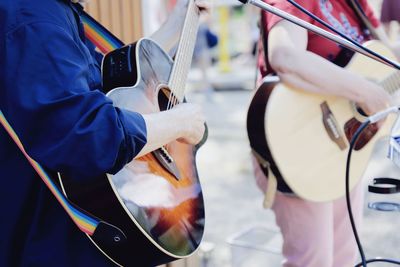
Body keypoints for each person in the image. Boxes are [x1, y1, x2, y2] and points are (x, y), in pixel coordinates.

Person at [0, 0, 208, 266]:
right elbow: (84, 134)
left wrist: (176, 25)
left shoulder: (52, 12)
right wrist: (178, 123)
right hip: (50, 241)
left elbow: (105, 81)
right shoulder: (36, 17)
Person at [254, 0, 400, 266]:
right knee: (313, 260)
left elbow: (388, 60)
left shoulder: (356, 4)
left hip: (347, 145)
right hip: (301, 141)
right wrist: (363, 90)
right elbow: (285, 56)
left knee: (345, 258)